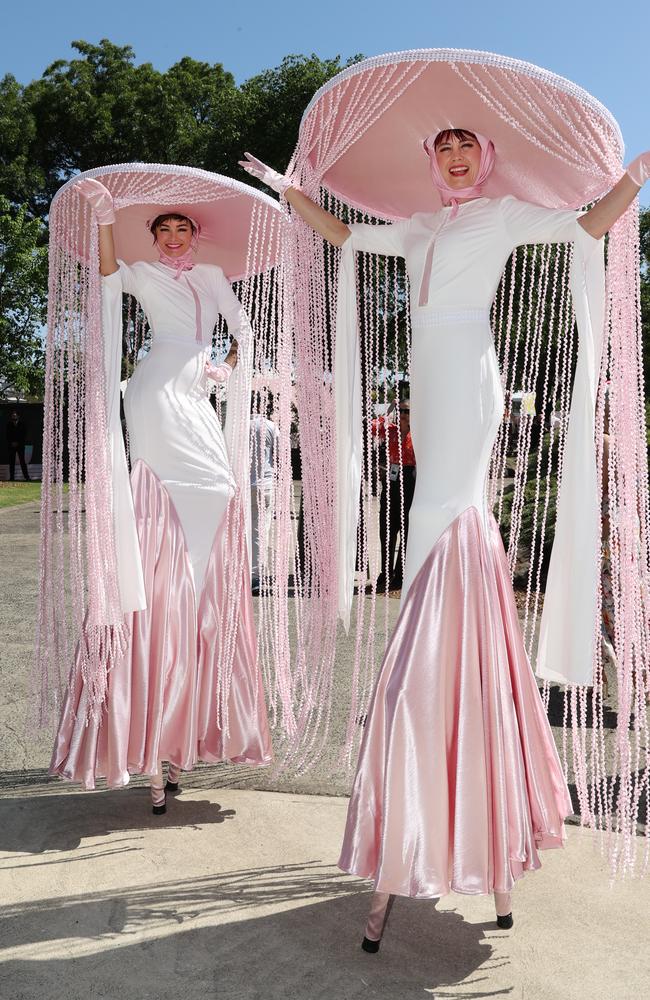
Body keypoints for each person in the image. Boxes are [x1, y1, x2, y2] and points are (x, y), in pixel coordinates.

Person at [240, 139, 650, 942]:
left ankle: (444, 728)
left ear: (486, 159)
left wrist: (634, 176)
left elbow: (588, 226)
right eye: (444, 147)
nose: (456, 157)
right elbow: (347, 238)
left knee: (451, 508)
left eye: (468, 147)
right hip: (425, 373)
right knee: (432, 518)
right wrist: (289, 188)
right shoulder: (418, 224)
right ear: (433, 161)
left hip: (467, 370)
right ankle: (446, 780)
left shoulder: (502, 214)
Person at [49, 178, 272, 813]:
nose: (173, 238)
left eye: (181, 230)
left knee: (221, 496)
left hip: (196, 397)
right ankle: (151, 749)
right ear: (152, 236)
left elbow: (245, 331)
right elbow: (107, 277)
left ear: (194, 235)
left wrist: (227, 367)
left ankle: (179, 733)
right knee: (150, 539)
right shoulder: (141, 271)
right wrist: (105, 218)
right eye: (163, 230)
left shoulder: (209, 273)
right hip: (152, 395)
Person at [371, 399, 416, 591]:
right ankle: (385, 571)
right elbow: (372, 426)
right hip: (392, 480)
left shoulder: (417, 434)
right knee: (387, 530)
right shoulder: (390, 430)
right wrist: (389, 410)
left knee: (406, 531)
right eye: (401, 411)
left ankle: (400, 573)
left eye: (407, 411)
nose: (403, 414)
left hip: (410, 480)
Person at [250, 404, 280, 588]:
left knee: (243, 528)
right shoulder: (270, 426)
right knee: (261, 529)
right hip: (265, 483)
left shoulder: (240, 425)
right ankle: (257, 574)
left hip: (244, 483)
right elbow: (278, 455)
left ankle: (244, 570)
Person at [5, 411, 31, 481]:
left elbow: (24, 435)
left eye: (15, 415)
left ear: (18, 416)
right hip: (11, 446)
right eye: (13, 416)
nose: (14, 417)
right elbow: (7, 435)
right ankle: (12, 477)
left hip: (20, 445)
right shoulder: (9, 424)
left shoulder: (22, 424)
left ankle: (27, 477)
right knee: (11, 462)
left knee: (22, 461)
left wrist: (18, 442)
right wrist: (12, 443)